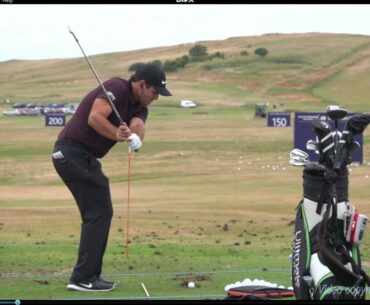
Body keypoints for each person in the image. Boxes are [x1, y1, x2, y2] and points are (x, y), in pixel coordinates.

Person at [52, 64, 172, 292]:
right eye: (154, 92)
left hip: (82, 157)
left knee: (99, 212)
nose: (156, 97)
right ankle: (83, 279)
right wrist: (117, 133)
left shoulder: (140, 106)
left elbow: (138, 124)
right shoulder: (117, 87)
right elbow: (95, 117)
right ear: (142, 84)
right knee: (99, 211)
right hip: (71, 152)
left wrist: (136, 137)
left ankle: (88, 277)